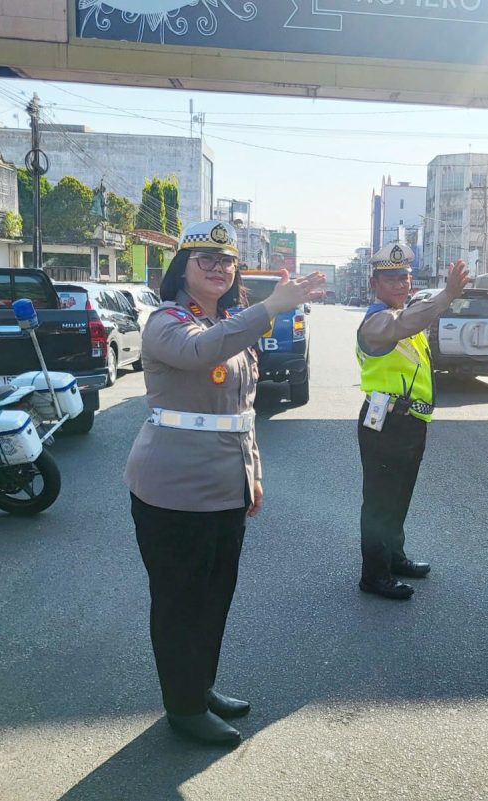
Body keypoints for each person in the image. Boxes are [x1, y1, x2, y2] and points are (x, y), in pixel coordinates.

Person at [124, 220, 324, 746]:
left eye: (227, 261)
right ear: (181, 270)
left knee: (215, 597)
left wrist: (252, 474)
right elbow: (199, 351)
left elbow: (242, 411)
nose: (218, 267)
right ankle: (182, 707)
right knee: (178, 602)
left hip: (224, 487)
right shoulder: (165, 322)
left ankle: (201, 686)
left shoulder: (234, 325)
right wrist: (272, 306)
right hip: (171, 490)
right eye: (205, 259)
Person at [355, 243, 471, 600]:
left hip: (409, 424)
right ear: (374, 282)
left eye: (404, 276)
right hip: (385, 423)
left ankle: (394, 557)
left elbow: (414, 320)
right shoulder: (377, 322)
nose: (401, 284)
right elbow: (411, 320)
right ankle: (374, 575)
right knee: (380, 501)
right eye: (391, 278)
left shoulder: (403, 315)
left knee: (399, 497)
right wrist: (448, 294)